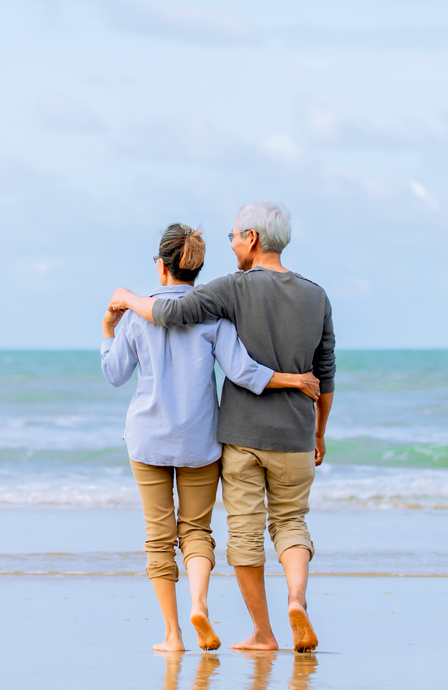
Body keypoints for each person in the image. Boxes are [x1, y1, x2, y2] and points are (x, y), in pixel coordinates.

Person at [108, 202, 335, 653]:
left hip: (200, 437)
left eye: (235, 235)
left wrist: (124, 306)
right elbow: (288, 372)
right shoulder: (302, 297)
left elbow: (139, 348)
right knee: (260, 525)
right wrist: (313, 419)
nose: (233, 242)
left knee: (208, 535)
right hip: (249, 438)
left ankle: (219, 634)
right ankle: (274, 600)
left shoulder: (221, 293)